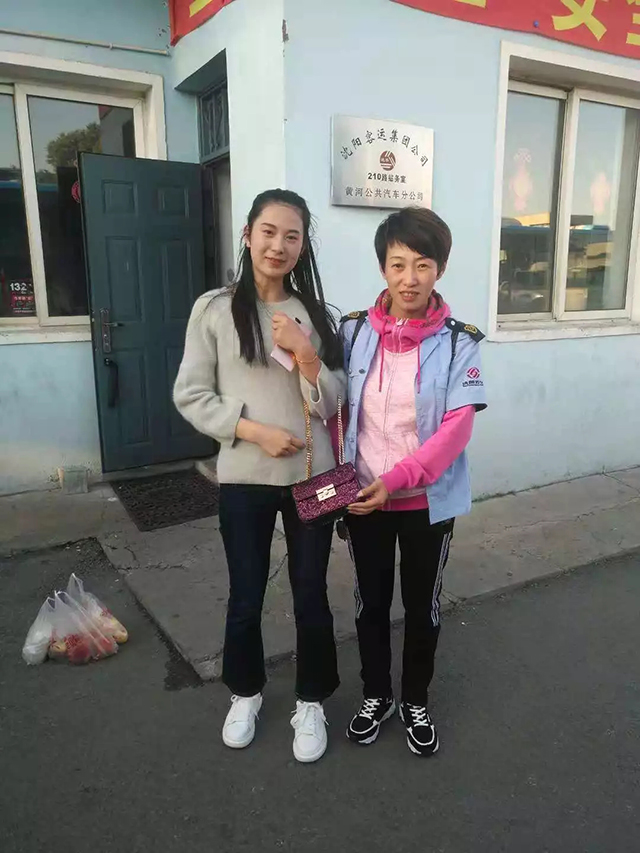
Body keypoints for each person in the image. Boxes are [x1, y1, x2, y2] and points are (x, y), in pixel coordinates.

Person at [174, 189, 346, 763]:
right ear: (247, 234)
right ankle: (245, 692)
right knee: (246, 593)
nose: (279, 245)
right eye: (268, 231)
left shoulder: (315, 315)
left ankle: (311, 700)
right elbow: (192, 394)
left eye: (292, 236)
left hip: (312, 476)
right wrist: (254, 432)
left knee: (311, 592)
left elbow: (334, 402)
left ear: (302, 246)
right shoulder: (214, 310)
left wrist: (305, 352)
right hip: (245, 477)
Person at [340, 206, 487, 757]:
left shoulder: (459, 343)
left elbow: (457, 428)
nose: (409, 278)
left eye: (422, 265)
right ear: (383, 268)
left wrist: (399, 478)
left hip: (426, 502)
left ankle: (415, 699)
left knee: (422, 606)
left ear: (439, 270)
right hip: (364, 501)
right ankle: (376, 695)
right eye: (398, 264)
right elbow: (333, 406)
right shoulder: (353, 331)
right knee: (371, 605)